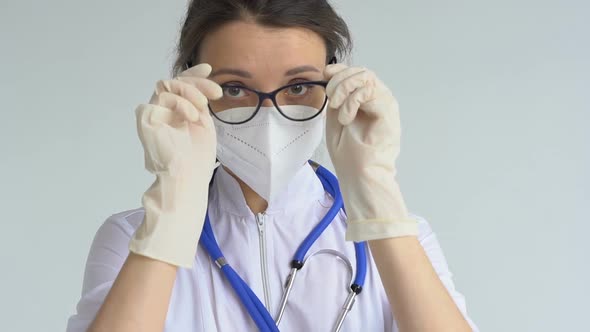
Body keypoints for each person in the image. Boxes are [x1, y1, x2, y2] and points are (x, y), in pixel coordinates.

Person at [66, 1, 479, 331]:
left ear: (334, 88)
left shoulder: (402, 239)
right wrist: (171, 215)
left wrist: (376, 194)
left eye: (298, 87)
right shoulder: (130, 240)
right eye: (234, 88)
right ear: (192, 91)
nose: (269, 114)